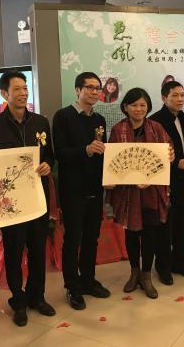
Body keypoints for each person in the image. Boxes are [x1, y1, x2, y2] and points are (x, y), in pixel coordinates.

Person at [0, 70, 55, 326]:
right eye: (17, 89)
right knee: (14, 252)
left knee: (37, 250)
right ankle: (19, 300)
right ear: (4, 94)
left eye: (25, 88)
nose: (23, 93)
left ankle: (37, 296)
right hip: (10, 203)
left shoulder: (40, 122)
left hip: (37, 197)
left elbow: (50, 154)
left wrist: (47, 164)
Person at [53, 71, 111, 310]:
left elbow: (103, 154)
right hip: (73, 190)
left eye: (97, 88)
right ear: (78, 90)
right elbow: (59, 154)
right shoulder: (63, 116)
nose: (94, 91)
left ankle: (88, 280)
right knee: (72, 238)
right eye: (89, 87)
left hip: (95, 188)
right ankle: (72, 286)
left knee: (91, 238)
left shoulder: (99, 119)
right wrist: (85, 150)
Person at [108, 88, 174, 299]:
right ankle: (134, 272)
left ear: (148, 107)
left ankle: (146, 275)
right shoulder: (118, 130)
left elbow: (168, 151)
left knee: (150, 234)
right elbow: (113, 162)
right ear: (125, 107)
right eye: (134, 105)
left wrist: (170, 155)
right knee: (131, 234)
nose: (138, 109)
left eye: (142, 105)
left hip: (152, 191)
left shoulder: (156, 127)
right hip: (128, 193)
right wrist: (132, 178)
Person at [150, 81, 184, 284]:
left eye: (182, 95)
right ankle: (163, 267)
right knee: (165, 227)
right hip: (166, 183)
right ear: (164, 98)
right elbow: (154, 155)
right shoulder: (155, 121)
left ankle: (180, 262)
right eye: (175, 95)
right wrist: (177, 162)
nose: (180, 99)